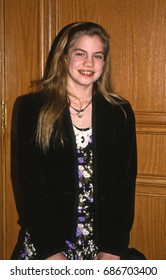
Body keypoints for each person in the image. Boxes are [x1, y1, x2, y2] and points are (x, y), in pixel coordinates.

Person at [14, 21, 145, 260]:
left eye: (98, 56)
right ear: (64, 58)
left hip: (101, 244)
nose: (89, 63)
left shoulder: (120, 111)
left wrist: (113, 248)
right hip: (47, 242)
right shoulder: (33, 108)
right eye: (80, 54)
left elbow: (124, 184)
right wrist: (51, 251)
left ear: (104, 63)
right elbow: (31, 183)